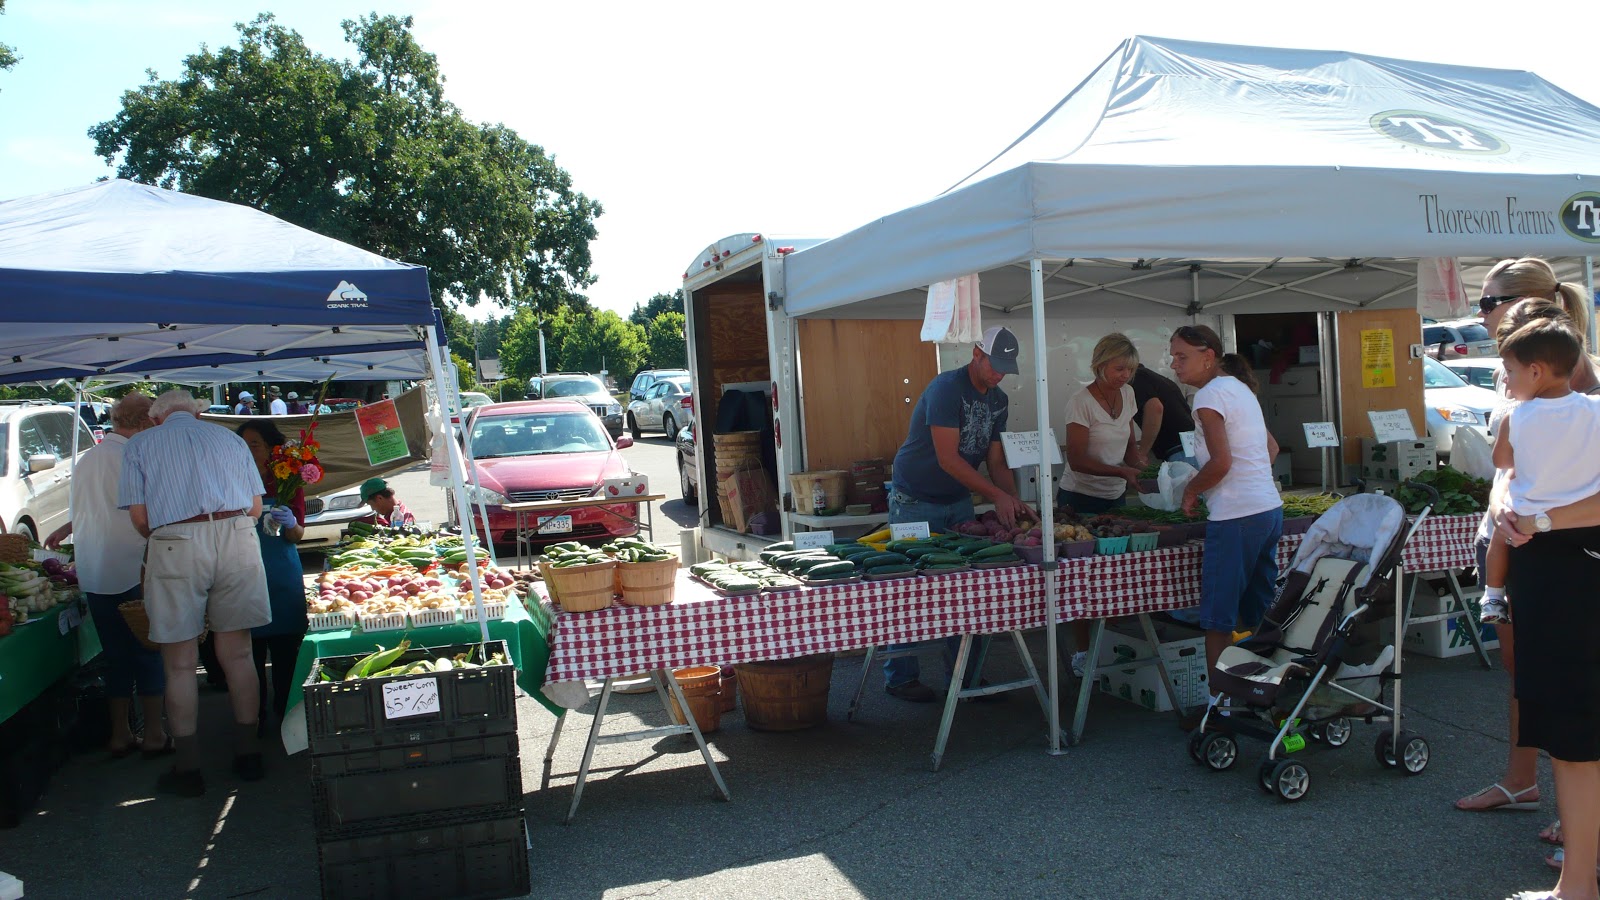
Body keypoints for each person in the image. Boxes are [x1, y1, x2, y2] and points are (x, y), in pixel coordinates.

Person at [1456, 259, 1598, 830]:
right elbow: (1507, 470)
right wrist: (1501, 506)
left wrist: (1534, 521)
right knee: (1527, 672)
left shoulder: (1577, 383)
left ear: (1527, 305)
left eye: (1487, 303)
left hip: (1563, 554)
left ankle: (1578, 814)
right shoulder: (1519, 373)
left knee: (1567, 684)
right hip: (1523, 539)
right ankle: (1524, 782)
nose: (1481, 314)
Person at [119, 388, 271, 797]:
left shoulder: (141, 445)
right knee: (239, 654)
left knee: (180, 664)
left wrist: (170, 537)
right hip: (237, 534)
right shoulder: (230, 438)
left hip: (176, 540)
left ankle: (188, 769)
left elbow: (139, 517)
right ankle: (248, 754)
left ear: (156, 419)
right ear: (198, 415)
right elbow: (256, 508)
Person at [882, 326, 1033, 702]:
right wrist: (997, 495)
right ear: (976, 354)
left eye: (1005, 367)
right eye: (994, 364)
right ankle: (900, 676)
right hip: (914, 498)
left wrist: (1012, 502)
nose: (999, 374)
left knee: (969, 588)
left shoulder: (999, 401)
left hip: (958, 500)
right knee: (908, 587)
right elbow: (948, 458)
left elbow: (996, 461)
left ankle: (967, 674)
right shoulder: (946, 388)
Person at [44, 393, 170, 758]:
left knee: (116, 656)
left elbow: (89, 507)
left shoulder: (88, 458)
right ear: (146, 422)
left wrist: (68, 528)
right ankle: (155, 734)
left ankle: (120, 734)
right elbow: (146, 511)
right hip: (134, 567)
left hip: (96, 570)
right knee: (147, 651)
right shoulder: (135, 455)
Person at [1168, 325, 1282, 727]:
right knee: (1254, 612)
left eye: (1182, 356)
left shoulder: (1209, 395)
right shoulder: (1239, 388)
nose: (1174, 363)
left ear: (1208, 356)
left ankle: (1219, 708)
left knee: (1218, 618)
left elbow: (1220, 463)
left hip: (1235, 518)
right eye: (1173, 355)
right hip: (1268, 510)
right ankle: (1259, 693)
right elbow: (1271, 449)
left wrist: (1191, 492)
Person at [1478, 313, 1600, 626]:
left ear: (1535, 371)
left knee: (1498, 542)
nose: (1506, 380)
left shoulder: (1516, 417)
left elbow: (1501, 462)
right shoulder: (1595, 410)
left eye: (1509, 371)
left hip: (1527, 527)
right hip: (1585, 530)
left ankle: (1492, 596)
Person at [1060, 333, 1143, 678]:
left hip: (1115, 497)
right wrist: (1121, 471)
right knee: (1082, 581)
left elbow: (1129, 445)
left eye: (1130, 370)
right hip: (1078, 498)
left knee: (1114, 577)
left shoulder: (1128, 394)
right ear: (1100, 364)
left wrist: (1142, 469)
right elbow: (1077, 460)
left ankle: (1109, 646)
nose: (1125, 375)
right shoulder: (1080, 402)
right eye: (1119, 368)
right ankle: (1082, 652)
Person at [235, 419, 309, 734]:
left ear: (270, 448)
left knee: (285, 651)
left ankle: (286, 712)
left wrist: (289, 521)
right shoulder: (230, 481)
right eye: (243, 444)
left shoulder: (287, 480)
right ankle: (253, 718)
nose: (248, 450)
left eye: (255, 443)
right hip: (241, 573)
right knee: (246, 653)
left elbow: (297, 535)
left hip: (281, 572)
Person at [1131, 362, 1197, 469]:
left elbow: (1155, 408)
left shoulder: (1137, 377)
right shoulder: (1154, 378)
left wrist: (1142, 452)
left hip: (1179, 450)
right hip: (1189, 445)